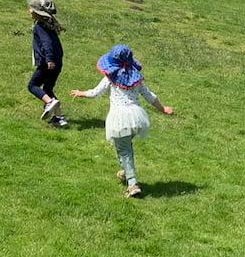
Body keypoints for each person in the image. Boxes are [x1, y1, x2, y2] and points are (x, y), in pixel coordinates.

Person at [71, 45, 173, 198]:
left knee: (124, 150)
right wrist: (163, 108)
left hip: (120, 119)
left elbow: (95, 93)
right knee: (125, 146)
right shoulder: (136, 78)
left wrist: (81, 93)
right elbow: (149, 96)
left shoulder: (110, 78)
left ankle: (132, 184)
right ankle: (126, 172)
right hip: (136, 118)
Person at [27, 0, 67, 127]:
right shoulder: (50, 25)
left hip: (47, 63)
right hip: (57, 63)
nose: (29, 10)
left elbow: (46, 44)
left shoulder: (40, 26)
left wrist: (49, 59)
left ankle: (49, 103)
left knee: (33, 86)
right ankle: (59, 118)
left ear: (38, 12)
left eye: (31, 8)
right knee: (48, 89)